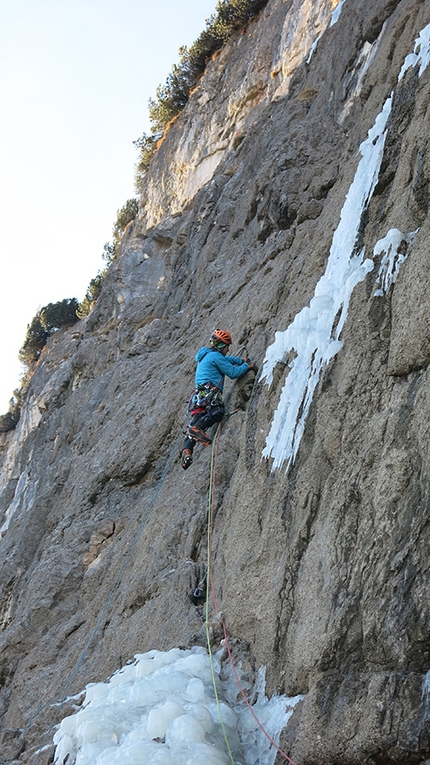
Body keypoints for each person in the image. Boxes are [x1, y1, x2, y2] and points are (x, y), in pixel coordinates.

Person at [181, 329, 256, 470]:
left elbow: (227, 360)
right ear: (221, 346)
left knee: (196, 420)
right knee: (218, 411)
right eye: (227, 346)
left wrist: (240, 360)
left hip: (200, 396)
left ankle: (187, 450)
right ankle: (198, 429)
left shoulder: (208, 355)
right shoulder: (215, 357)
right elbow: (234, 373)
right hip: (210, 392)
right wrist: (247, 365)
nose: (228, 349)